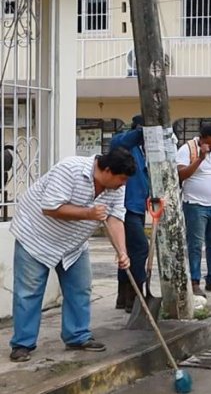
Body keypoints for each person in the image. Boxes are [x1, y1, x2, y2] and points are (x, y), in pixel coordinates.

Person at [8, 147, 136, 362]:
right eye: (121, 179)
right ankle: (22, 344)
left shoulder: (115, 187)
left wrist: (122, 252)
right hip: (35, 236)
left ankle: (77, 336)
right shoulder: (70, 169)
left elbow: (114, 218)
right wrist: (88, 213)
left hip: (73, 244)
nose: (123, 184)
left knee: (80, 288)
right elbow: (50, 207)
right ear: (106, 170)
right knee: (28, 293)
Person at [176, 123, 211, 296]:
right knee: (195, 245)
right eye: (210, 143)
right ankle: (194, 281)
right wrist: (200, 158)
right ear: (201, 139)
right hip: (194, 205)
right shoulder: (187, 149)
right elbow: (180, 175)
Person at [109, 115, 150, 313]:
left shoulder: (144, 151)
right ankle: (135, 293)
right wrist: (143, 131)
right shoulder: (124, 144)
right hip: (126, 207)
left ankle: (123, 296)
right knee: (141, 248)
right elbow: (122, 141)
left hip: (139, 206)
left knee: (128, 250)